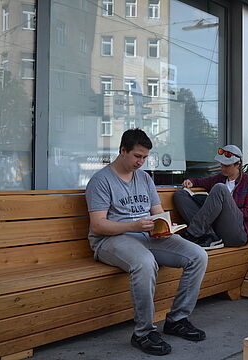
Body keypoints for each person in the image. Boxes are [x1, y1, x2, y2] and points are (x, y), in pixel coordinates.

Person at [85, 129, 208, 356]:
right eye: (137, 156)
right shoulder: (101, 181)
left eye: (144, 157)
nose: (141, 162)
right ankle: (143, 333)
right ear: (123, 151)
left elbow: (157, 212)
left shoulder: (144, 178)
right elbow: (99, 226)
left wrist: (166, 229)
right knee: (145, 262)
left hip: (146, 236)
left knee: (198, 255)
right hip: (111, 240)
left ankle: (177, 319)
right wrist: (133, 226)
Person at [174, 145, 248, 250]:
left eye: (227, 165)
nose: (222, 168)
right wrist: (191, 181)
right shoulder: (220, 178)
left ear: (238, 164)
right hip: (217, 231)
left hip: (237, 234)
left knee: (220, 188)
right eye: (222, 164)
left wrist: (225, 208)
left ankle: (191, 233)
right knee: (180, 194)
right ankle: (210, 236)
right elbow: (201, 181)